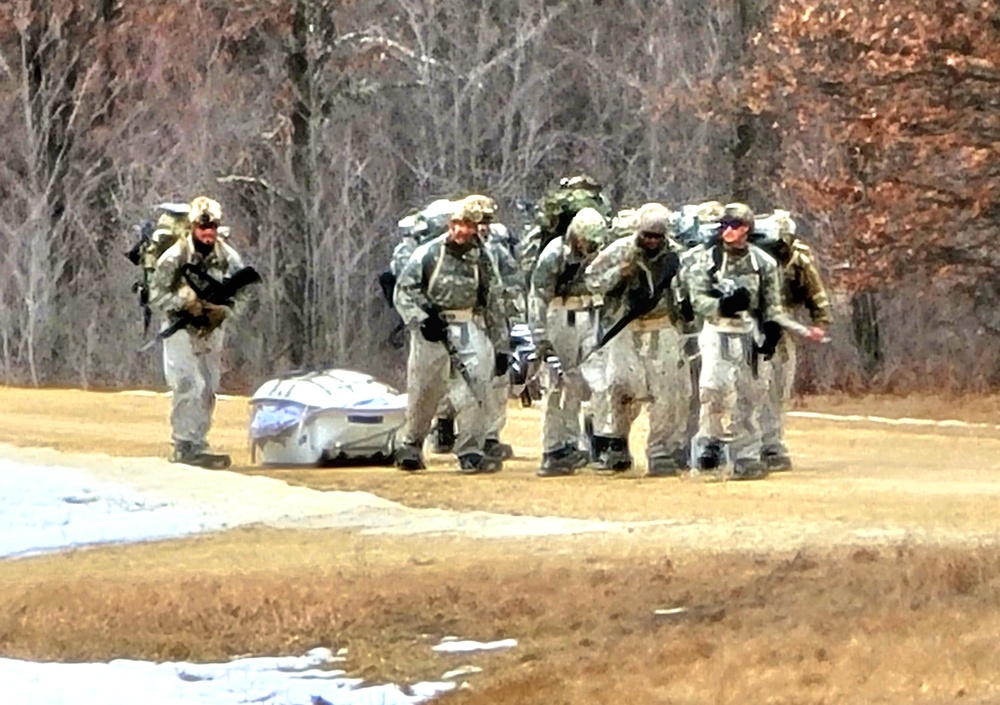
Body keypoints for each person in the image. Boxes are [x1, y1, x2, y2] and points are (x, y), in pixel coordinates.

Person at [686, 203, 823, 480]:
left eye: (734, 226)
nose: (728, 231)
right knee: (714, 389)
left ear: (746, 229)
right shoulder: (707, 259)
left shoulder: (764, 262)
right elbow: (697, 300)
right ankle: (708, 445)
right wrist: (722, 304)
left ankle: (746, 454)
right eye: (724, 225)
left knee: (751, 392)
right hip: (718, 330)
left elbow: (773, 304)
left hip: (751, 333)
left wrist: (772, 331)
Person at [392, 199, 508, 475]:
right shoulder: (428, 254)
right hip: (431, 329)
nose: (462, 231)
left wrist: (501, 346)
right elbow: (403, 291)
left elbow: (494, 301)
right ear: (450, 225)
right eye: (457, 225)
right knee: (425, 389)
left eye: (468, 225)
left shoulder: (483, 258)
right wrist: (422, 318)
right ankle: (411, 444)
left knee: (476, 388)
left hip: (468, 324)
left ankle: (470, 450)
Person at [585, 204, 691, 477]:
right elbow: (592, 280)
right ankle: (617, 443)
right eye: (647, 235)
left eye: (658, 236)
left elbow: (690, 288)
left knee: (667, 392)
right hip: (625, 328)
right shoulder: (620, 250)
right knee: (620, 386)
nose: (652, 241)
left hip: (662, 326)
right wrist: (620, 274)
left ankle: (659, 448)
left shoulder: (677, 255)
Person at [148, 196, 251, 468]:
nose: (208, 232)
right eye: (203, 227)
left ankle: (199, 441)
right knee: (187, 383)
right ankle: (183, 444)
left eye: (213, 226)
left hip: (211, 328)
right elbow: (156, 296)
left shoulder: (228, 257)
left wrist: (225, 312)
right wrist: (183, 303)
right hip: (179, 326)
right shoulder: (174, 257)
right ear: (193, 226)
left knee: (208, 385)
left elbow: (244, 292)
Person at [528, 207, 609, 476]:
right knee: (559, 383)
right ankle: (555, 447)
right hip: (562, 316)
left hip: (593, 314)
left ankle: (594, 441)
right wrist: (540, 338)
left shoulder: (601, 250)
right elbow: (537, 297)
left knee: (596, 380)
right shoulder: (554, 254)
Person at [752, 212, 832, 470]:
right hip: (746, 324)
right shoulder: (747, 255)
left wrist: (820, 322)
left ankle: (771, 443)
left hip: (781, 327)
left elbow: (815, 291)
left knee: (776, 387)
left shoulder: (798, 260)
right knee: (743, 387)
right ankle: (740, 444)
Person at [463, 194, 521, 462]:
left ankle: (491, 436)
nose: (483, 226)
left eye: (487, 221)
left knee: (498, 380)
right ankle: (461, 436)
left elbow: (513, 280)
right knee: (468, 382)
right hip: (466, 322)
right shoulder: (453, 250)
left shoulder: (497, 250)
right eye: (478, 221)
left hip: (495, 322)